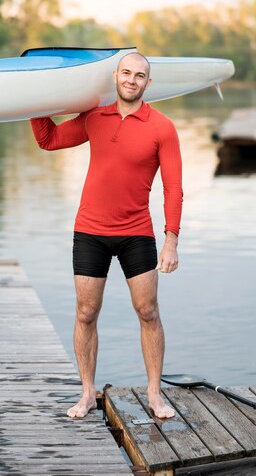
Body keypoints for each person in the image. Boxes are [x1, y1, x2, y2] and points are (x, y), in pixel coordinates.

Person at [30, 51, 183, 419]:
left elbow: (173, 188)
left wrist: (171, 240)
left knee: (148, 311)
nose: (132, 80)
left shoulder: (162, 127)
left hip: (136, 233)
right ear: (116, 76)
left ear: (149, 83)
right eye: (126, 73)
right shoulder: (94, 118)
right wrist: (31, 99)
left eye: (139, 75)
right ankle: (86, 393)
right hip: (90, 231)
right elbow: (48, 139)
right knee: (86, 312)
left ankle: (154, 394)